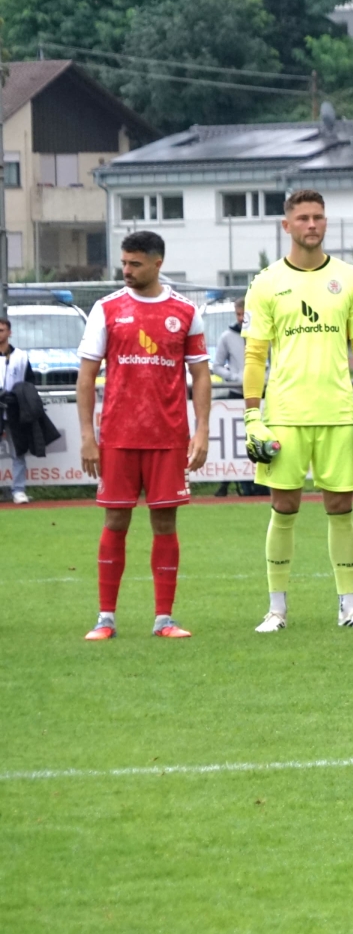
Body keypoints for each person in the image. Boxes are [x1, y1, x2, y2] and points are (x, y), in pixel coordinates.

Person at [242, 191, 353, 630]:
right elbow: (255, 355)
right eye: (303, 218)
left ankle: (349, 608)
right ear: (286, 226)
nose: (311, 224)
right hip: (285, 414)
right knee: (284, 505)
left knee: (341, 506)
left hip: (337, 413)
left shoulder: (350, 277)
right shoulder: (266, 282)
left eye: (318, 217)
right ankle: (277, 610)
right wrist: (252, 417)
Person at [74, 230, 212, 640]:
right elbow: (86, 377)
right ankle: (105, 619)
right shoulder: (106, 308)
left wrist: (202, 430)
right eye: (124, 263)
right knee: (115, 519)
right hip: (118, 436)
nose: (127, 270)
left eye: (135, 264)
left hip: (168, 437)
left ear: (157, 263)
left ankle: (164, 619)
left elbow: (201, 374)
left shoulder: (185, 311)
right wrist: (87, 435)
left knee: (165, 521)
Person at [210, 302, 256, 496]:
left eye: (243, 313)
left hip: (261, 393)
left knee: (258, 437)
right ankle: (226, 483)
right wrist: (234, 377)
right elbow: (217, 366)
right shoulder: (227, 337)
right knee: (234, 440)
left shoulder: (263, 334)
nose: (240, 318)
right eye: (238, 314)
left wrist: (267, 376)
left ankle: (262, 482)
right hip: (237, 394)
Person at [0, 317, 29, 503]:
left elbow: (29, 383)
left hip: (14, 410)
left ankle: (18, 489)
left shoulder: (21, 357)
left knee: (18, 450)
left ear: (10, 332)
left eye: (2, 330)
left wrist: (17, 397)